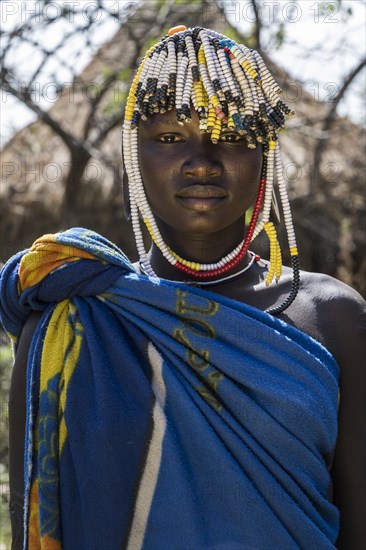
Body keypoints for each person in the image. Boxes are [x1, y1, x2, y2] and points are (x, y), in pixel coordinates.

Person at [1, 25, 365, 549]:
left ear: (264, 153)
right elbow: (33, 524)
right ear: (134, 155)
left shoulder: (331, 317)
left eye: (233, 136)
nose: (202, 160)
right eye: (170, 138)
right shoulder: (71, 320)